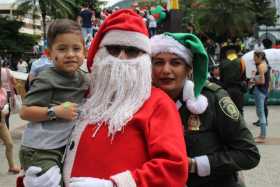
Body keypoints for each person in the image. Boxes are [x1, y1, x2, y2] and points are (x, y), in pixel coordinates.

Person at [21, 9, 188, 187]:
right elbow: (44, 138)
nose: (122, 58)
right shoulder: (84, 94)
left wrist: (115, 185)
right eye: (114, 49)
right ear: (99, 53)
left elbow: (173, 168)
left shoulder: (159, 104)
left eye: (132, 51)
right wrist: (32, 178)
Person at [150, 33, 260, 187]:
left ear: (188, 68)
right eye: (158, 62)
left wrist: (196, 165)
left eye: (175, 63)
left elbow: (249, 154)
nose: (166, 70)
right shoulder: (140, 104)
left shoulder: (213, 98)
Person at [19, 19, 89, 186]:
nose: (70, 54)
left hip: (62, 148)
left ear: (84, 52)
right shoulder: (46, 78)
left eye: (76, 48)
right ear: (49, 54)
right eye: (62, 49)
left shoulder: (84, 78)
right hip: (39, 150)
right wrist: (55, 111)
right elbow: (25, 112)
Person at [219, 42, 247, 114]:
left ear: (226, 52)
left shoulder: (222, 63)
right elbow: (244, 77)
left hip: (226, 90)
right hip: (238, 89)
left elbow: (221, 78)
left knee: (227, 111)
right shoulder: (241, 62)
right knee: (239, 110)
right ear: (235, 52)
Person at [0, 78, 20, 174]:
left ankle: (11, 166)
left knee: (9, 144)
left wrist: (6, 108)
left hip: (2, 121)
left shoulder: (3, 90)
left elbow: (5, 103)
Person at [251, 49, 270, 143]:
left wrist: (253, 80)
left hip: (260, 91)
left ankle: (262, 137)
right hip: (263, 91)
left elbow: (262, 81)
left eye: (254, 57)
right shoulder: (264, 64)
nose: (253, 59)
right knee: (261, 113)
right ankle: (262, 135)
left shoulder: (261, 66)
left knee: (261, 114)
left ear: (260, 57)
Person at [1, 63, 17, 129]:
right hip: (8, 94)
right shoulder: (8, 71)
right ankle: (6, 130)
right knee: (6, 113)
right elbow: (14, 82)